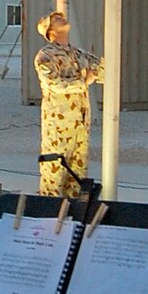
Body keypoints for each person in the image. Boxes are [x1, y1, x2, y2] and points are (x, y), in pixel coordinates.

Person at [34, 11, 102, 196]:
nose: (62, 19)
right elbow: (55, 84)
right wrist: (84, 81)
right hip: (59, 125)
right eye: (56, 20)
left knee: (77, 177)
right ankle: (49, 217)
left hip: (80, 124)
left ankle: (73, 218)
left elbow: (102, 70)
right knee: (54, 175)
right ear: (50, 31)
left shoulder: (78, 53)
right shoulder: (46, 56)